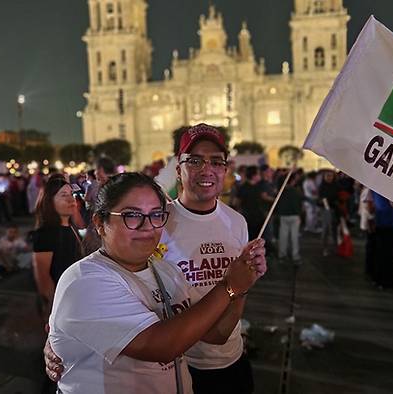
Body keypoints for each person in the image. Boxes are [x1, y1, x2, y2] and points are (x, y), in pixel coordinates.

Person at [45, 123, 267, 394]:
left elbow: (216, 334)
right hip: (188, 364)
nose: (148, 227)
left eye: (154, 216)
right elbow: (162, 344)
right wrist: (230, 286)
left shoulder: (164, 273)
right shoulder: (86, 279)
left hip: (223, 363)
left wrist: (240, 288)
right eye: (132, 215)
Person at [31, 177, 84, 321]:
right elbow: (43, 278)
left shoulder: (71, 227)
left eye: (71, 194)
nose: (70, 199)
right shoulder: (45, 233)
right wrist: (54, 309)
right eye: (63, 195)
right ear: (50, 201)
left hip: (76, 300)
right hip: (60, 306)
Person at [370, 191, 393, 291]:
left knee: (384, 253)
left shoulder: (378, 185)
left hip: (386, 221)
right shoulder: (386, 188)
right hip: (388, 221)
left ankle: (381, 280)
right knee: (388, 254)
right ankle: (384, 281)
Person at [276, 173, 303, 262]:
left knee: (283, 236)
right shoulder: (296, 191)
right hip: (294, 215)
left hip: (284, 215)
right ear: (292, 181)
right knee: (294, 236)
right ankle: (295, 255)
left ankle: (282, 254)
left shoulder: (281, 191)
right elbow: (299, 203)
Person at [318, 169, 340, 257]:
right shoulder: (322, 186)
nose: (329, 177)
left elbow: (338, 196)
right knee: (326, 229)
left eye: (331, 176)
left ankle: (336, 247)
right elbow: (321, 198)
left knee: (335, 229)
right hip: (325, 210)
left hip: (335, 210)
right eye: (327, 176)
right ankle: (325, 248)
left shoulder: (336, 185)